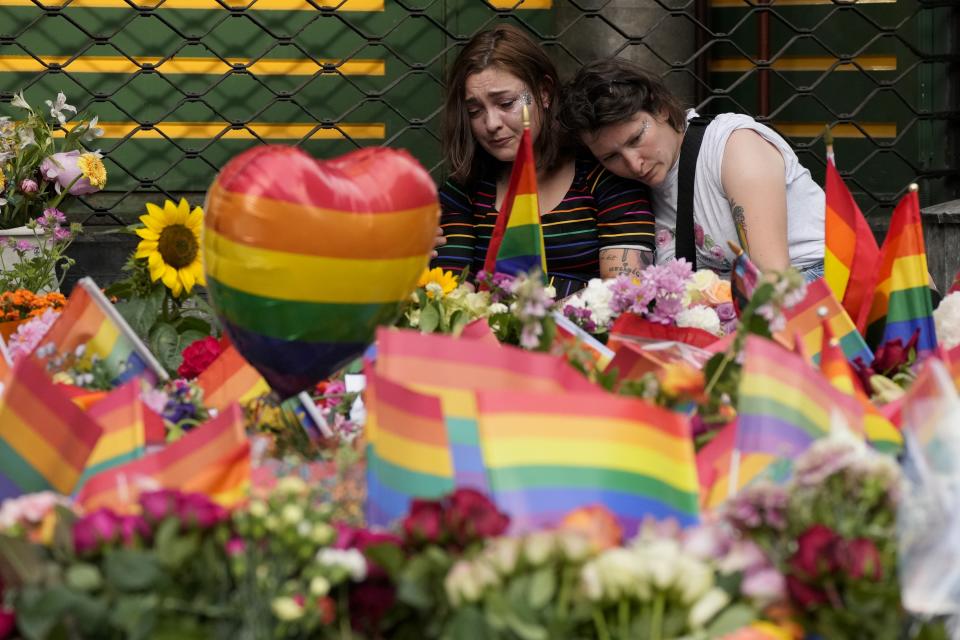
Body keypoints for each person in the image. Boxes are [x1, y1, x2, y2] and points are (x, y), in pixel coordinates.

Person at [431, 25, 657, 297]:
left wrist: (538, 321)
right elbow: (455, 295)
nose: (490, 124)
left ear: (545, 93)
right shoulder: (465, 190)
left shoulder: (602, 173)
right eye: (475, 110)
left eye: (505, 103)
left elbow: (624, 291)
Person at [559, 57, 825, 281]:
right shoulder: (630, 188)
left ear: (661, 109)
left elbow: (773, 278)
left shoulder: (732, 146)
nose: (633, 163)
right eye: (611, 156)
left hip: (811, 284)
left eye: (636, 139)